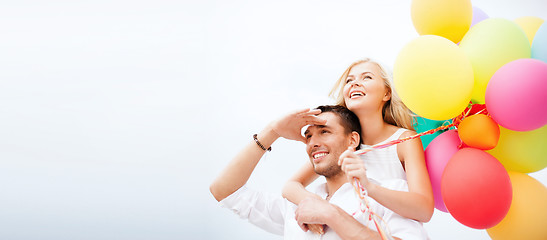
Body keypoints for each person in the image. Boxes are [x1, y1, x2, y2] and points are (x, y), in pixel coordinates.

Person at [209, 105, 428, 239]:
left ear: (352, 140)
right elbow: (224, 191)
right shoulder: (298, 205)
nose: (313, 142)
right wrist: (272, 131)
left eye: (324, 132)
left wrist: (331, 214)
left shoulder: (389, 193)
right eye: (309, 136)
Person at [283, 59, 434, 234]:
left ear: (386, 93)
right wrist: (316, 205)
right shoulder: (342, 144)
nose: (355, 83)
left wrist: (369, 188)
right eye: (349, 80)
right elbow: (290, 186)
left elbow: (423, 210)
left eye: (366, 77)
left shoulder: (404, 140)